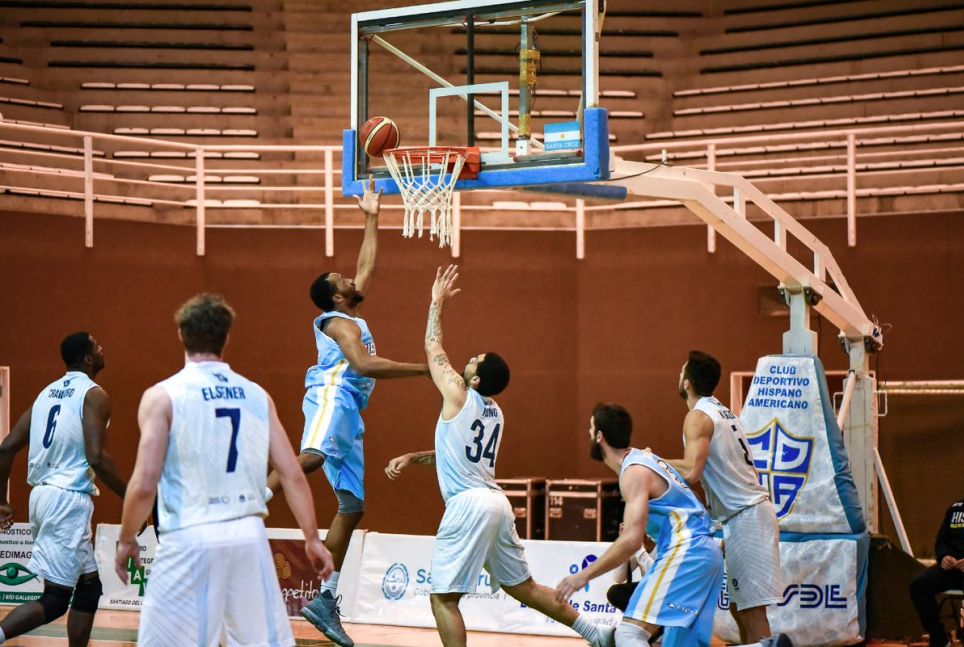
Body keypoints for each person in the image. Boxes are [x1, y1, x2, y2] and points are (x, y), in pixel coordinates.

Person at [383, 265, 614, 647]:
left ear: (474, 379)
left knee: (443, 599)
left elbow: (432, 347)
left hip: (468, 505)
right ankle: (596, 633)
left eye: (473, 360)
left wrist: (436, 302)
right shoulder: (495, 413)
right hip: (496, 503)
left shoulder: (458, 393)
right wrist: (412, 457)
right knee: (523, 587)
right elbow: (453, 454)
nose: (467, 360)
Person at [114, 294, 334, 647]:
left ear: (181, 335)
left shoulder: (163, 395)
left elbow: (144, 482)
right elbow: (292, 473)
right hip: (248, 535)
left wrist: (126, 539)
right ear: (226, 337)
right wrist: (311, 538)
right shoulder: (256, 395)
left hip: (190, 533)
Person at [266, 177, 428, 647]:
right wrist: (426, 370)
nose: (350, 278)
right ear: (336, 297)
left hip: (352, 410)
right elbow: (363, 365)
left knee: (352, 507)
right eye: (341, 280)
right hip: (333, 394)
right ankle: (249, 502)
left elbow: (367, 266)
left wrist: (373, 217)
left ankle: (324, 598)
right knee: (312, 456)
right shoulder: (339, 324)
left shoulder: (349, 312)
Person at [555, 403, 791, 647]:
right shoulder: (645, 460)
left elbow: (631, 541)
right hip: (703, 551)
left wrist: (583, 576)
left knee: (629, 634)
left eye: (590, 428)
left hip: (687, 551)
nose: (588, 433)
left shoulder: (634, 472)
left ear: (599, 436)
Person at [0, 332, 129, 646]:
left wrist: (1, 502)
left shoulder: (45, 394)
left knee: (89, 587)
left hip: (43, 496)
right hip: (66, 501)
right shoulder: (94, 395)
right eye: (97, 345)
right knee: (56, 599)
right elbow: (97, 457)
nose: (103, 348)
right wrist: (133, 498)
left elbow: (5, 448)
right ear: (88, 358)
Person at [665, 351, 783, 643]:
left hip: (747, 516)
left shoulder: (698, 417)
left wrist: (650, 462)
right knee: (738, 608)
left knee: (751, 611)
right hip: (740, 517)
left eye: (681, 372)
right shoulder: (722, 411)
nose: (679, 376)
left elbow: (691, 471)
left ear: (687, 382)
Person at [909, 460, 964, 647]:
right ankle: (939, 637)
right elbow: (941, 541)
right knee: (918, 585)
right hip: (952, 571)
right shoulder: (955, 509)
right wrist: (943, 558)